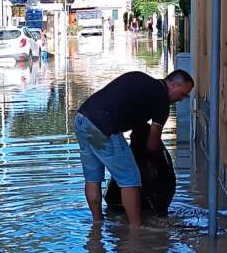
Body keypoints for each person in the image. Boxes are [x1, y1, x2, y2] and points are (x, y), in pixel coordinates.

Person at [74, 69, 194, 229]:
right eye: (183, 94)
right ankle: (136, 229)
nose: (182, 99)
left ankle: (97, 225)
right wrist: (154, 162)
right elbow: (153, 143)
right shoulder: (161, 100)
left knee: (92, 179)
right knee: (130, 179)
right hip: (104, 127)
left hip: (82, 119)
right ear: (173, 84)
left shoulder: (143, 80)